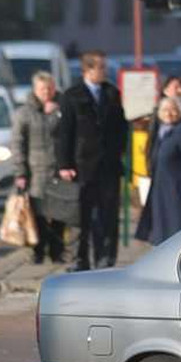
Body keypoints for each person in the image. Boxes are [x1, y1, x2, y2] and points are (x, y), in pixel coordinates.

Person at [57, 50, 128, 271]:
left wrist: (118, 153)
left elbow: (121, 128)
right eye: (101, 68)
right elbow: (65, 132)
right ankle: (79, 260)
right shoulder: (72, 96)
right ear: (88, 70)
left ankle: (105, 259)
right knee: (80, 217)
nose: (105, 72)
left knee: (107, 217)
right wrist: (64, 165)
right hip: (82, 167)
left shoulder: (112, 93)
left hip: (108, 167)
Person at [10, 71, 65, 264]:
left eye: (50, 88)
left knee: (60, 212)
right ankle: (38, 251)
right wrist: (20, 171)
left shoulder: (62, 109)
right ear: (35, 90)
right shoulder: (24, 113)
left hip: (59, 169)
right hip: (36, 171)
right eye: (43, 89)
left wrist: (57, 114)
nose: (47, 92)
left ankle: (57, 251)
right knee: (37, 214)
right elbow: (17, 143)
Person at [135, 97, 181, 245]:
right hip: (161, 188)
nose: (169, 113)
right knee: (161, 226)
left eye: (173, 110)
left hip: (177, 189)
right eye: (165, 110)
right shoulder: (161, 130)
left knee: (176, 227)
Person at [146, 75, 181, 168]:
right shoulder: (158, 112)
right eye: (176, 87)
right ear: (165, 90)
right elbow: (152, 139)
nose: (180, 91)